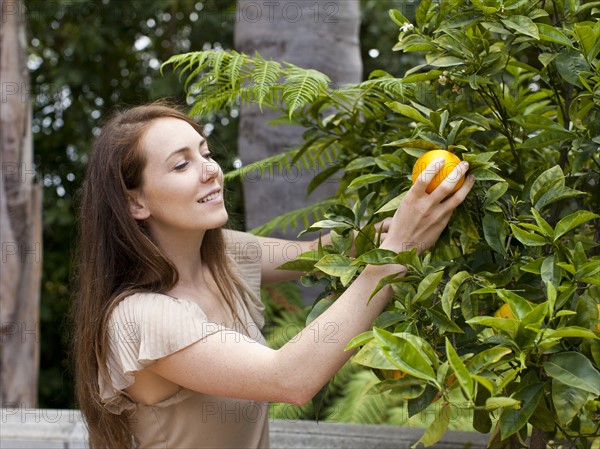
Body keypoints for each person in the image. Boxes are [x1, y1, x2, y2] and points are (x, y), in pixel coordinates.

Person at [72, 102, 474, 449]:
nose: (211, 170)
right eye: (182, 164)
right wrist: (394, 256)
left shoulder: (224, 255)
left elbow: (324, 252)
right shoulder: (140, 319)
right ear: (135, 201)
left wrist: (411, 210)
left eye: (206, 153)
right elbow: (290, 379)